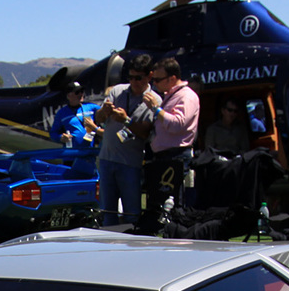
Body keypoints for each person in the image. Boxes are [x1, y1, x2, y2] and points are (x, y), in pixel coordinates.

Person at [96, 55, 157, 226]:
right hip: (107, 159)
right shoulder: (117, 91)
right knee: (107, 212)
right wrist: (104, 112)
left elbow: (145, 132)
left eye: (138, 78)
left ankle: (131, 245)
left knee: (131, 213)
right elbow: (98, 118)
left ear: (149, 76)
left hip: (130, 163)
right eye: (130, 77)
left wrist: (126, 120)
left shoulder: (153, 100)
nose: (134, 82)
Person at [145, 57, 200, 224]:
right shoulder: (170, 96)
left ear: (172, 78)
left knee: (173, 202)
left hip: (176, 157)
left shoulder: (187, 96)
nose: (155, 83)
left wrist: (156, 109)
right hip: (163, 157)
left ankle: (177, 235)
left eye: (158, 80)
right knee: (160, 201)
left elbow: (178, 124)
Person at [50, 82, 101, 149]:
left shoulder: (91, 107)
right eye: (77, 92)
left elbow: (106, 113)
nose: (81, 94)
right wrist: (61, 138)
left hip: (88, 154)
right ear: (68, 96)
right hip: (71, 155)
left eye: (82, 91)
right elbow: (53, 134)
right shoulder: (61, 113)